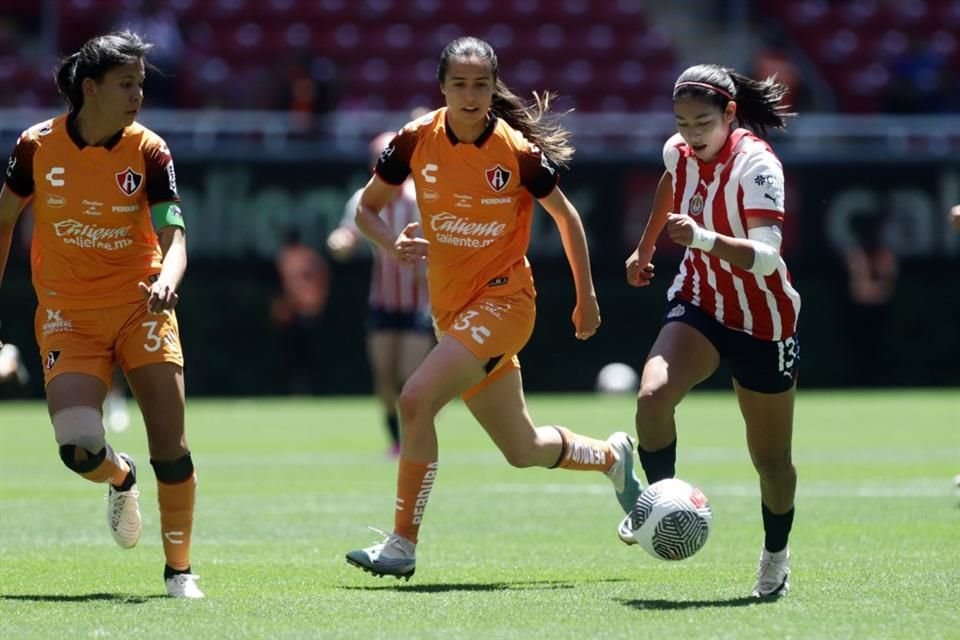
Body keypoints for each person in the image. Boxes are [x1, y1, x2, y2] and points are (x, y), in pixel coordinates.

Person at [344, 36, 642, 580]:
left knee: (414, 400)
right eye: (458, 83)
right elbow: (366, 210)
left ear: (493, 86)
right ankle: (612, 458)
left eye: (480, 83)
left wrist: (587, 298)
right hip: (452, 315)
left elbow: (568, 219)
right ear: (441, 87)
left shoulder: (517, 152)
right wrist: (393, 244)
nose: (470, 94)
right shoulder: (415, 140)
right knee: (522, 448)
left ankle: (402, 544)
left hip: (507, 303)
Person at [0, 32, 202, 598]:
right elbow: (3, 221)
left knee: (173, 445)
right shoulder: (35, 147)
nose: (138, 94)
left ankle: (180, 572)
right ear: (89, 89)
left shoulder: (150, 150)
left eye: (140, 83)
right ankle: (121, 476)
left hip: (142, 308)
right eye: (126, 83)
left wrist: (166, 276)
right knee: (78, 447)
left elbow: (175, 233)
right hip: (69, 316)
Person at [622, 64, 801, 598]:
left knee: (771, 462)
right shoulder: (678, 150)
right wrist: (646, 245)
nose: (690, 134)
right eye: (681, 122)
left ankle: (775, 556)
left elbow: (768, 259)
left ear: (728, 114)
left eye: (702, 122)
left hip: (763, 321)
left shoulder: (758, 166)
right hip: (701, 299)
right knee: (652, 397)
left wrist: (699, 237)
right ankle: (662, 504)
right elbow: (669, 182)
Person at [327, 132, 433, 457]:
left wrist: (426, 275)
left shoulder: (419, 200)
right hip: (383, 301)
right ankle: (397, 441)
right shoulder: (365, 198)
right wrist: (340, 243)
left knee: (408, 378)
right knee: (384, 377)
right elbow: (347, 233)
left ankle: (417, 437)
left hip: (418, 302)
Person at [270, 228, 330, 394]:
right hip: (311, 309)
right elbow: (324, 279)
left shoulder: (285, 257)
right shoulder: (312, 256)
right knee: (309, 354)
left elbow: (282, 286)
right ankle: (310, 388)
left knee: (294, 355)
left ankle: (298, 388)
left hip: (293, 312)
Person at [842, 215, 897, 386]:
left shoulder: (884, 254)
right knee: (858, 348)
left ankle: (878, 381)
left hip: (879, 310)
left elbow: (888, 283)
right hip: (859, 310)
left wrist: (874, 292)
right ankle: (858, 381)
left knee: (877, 348)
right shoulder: (855, 254)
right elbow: (858, 288)